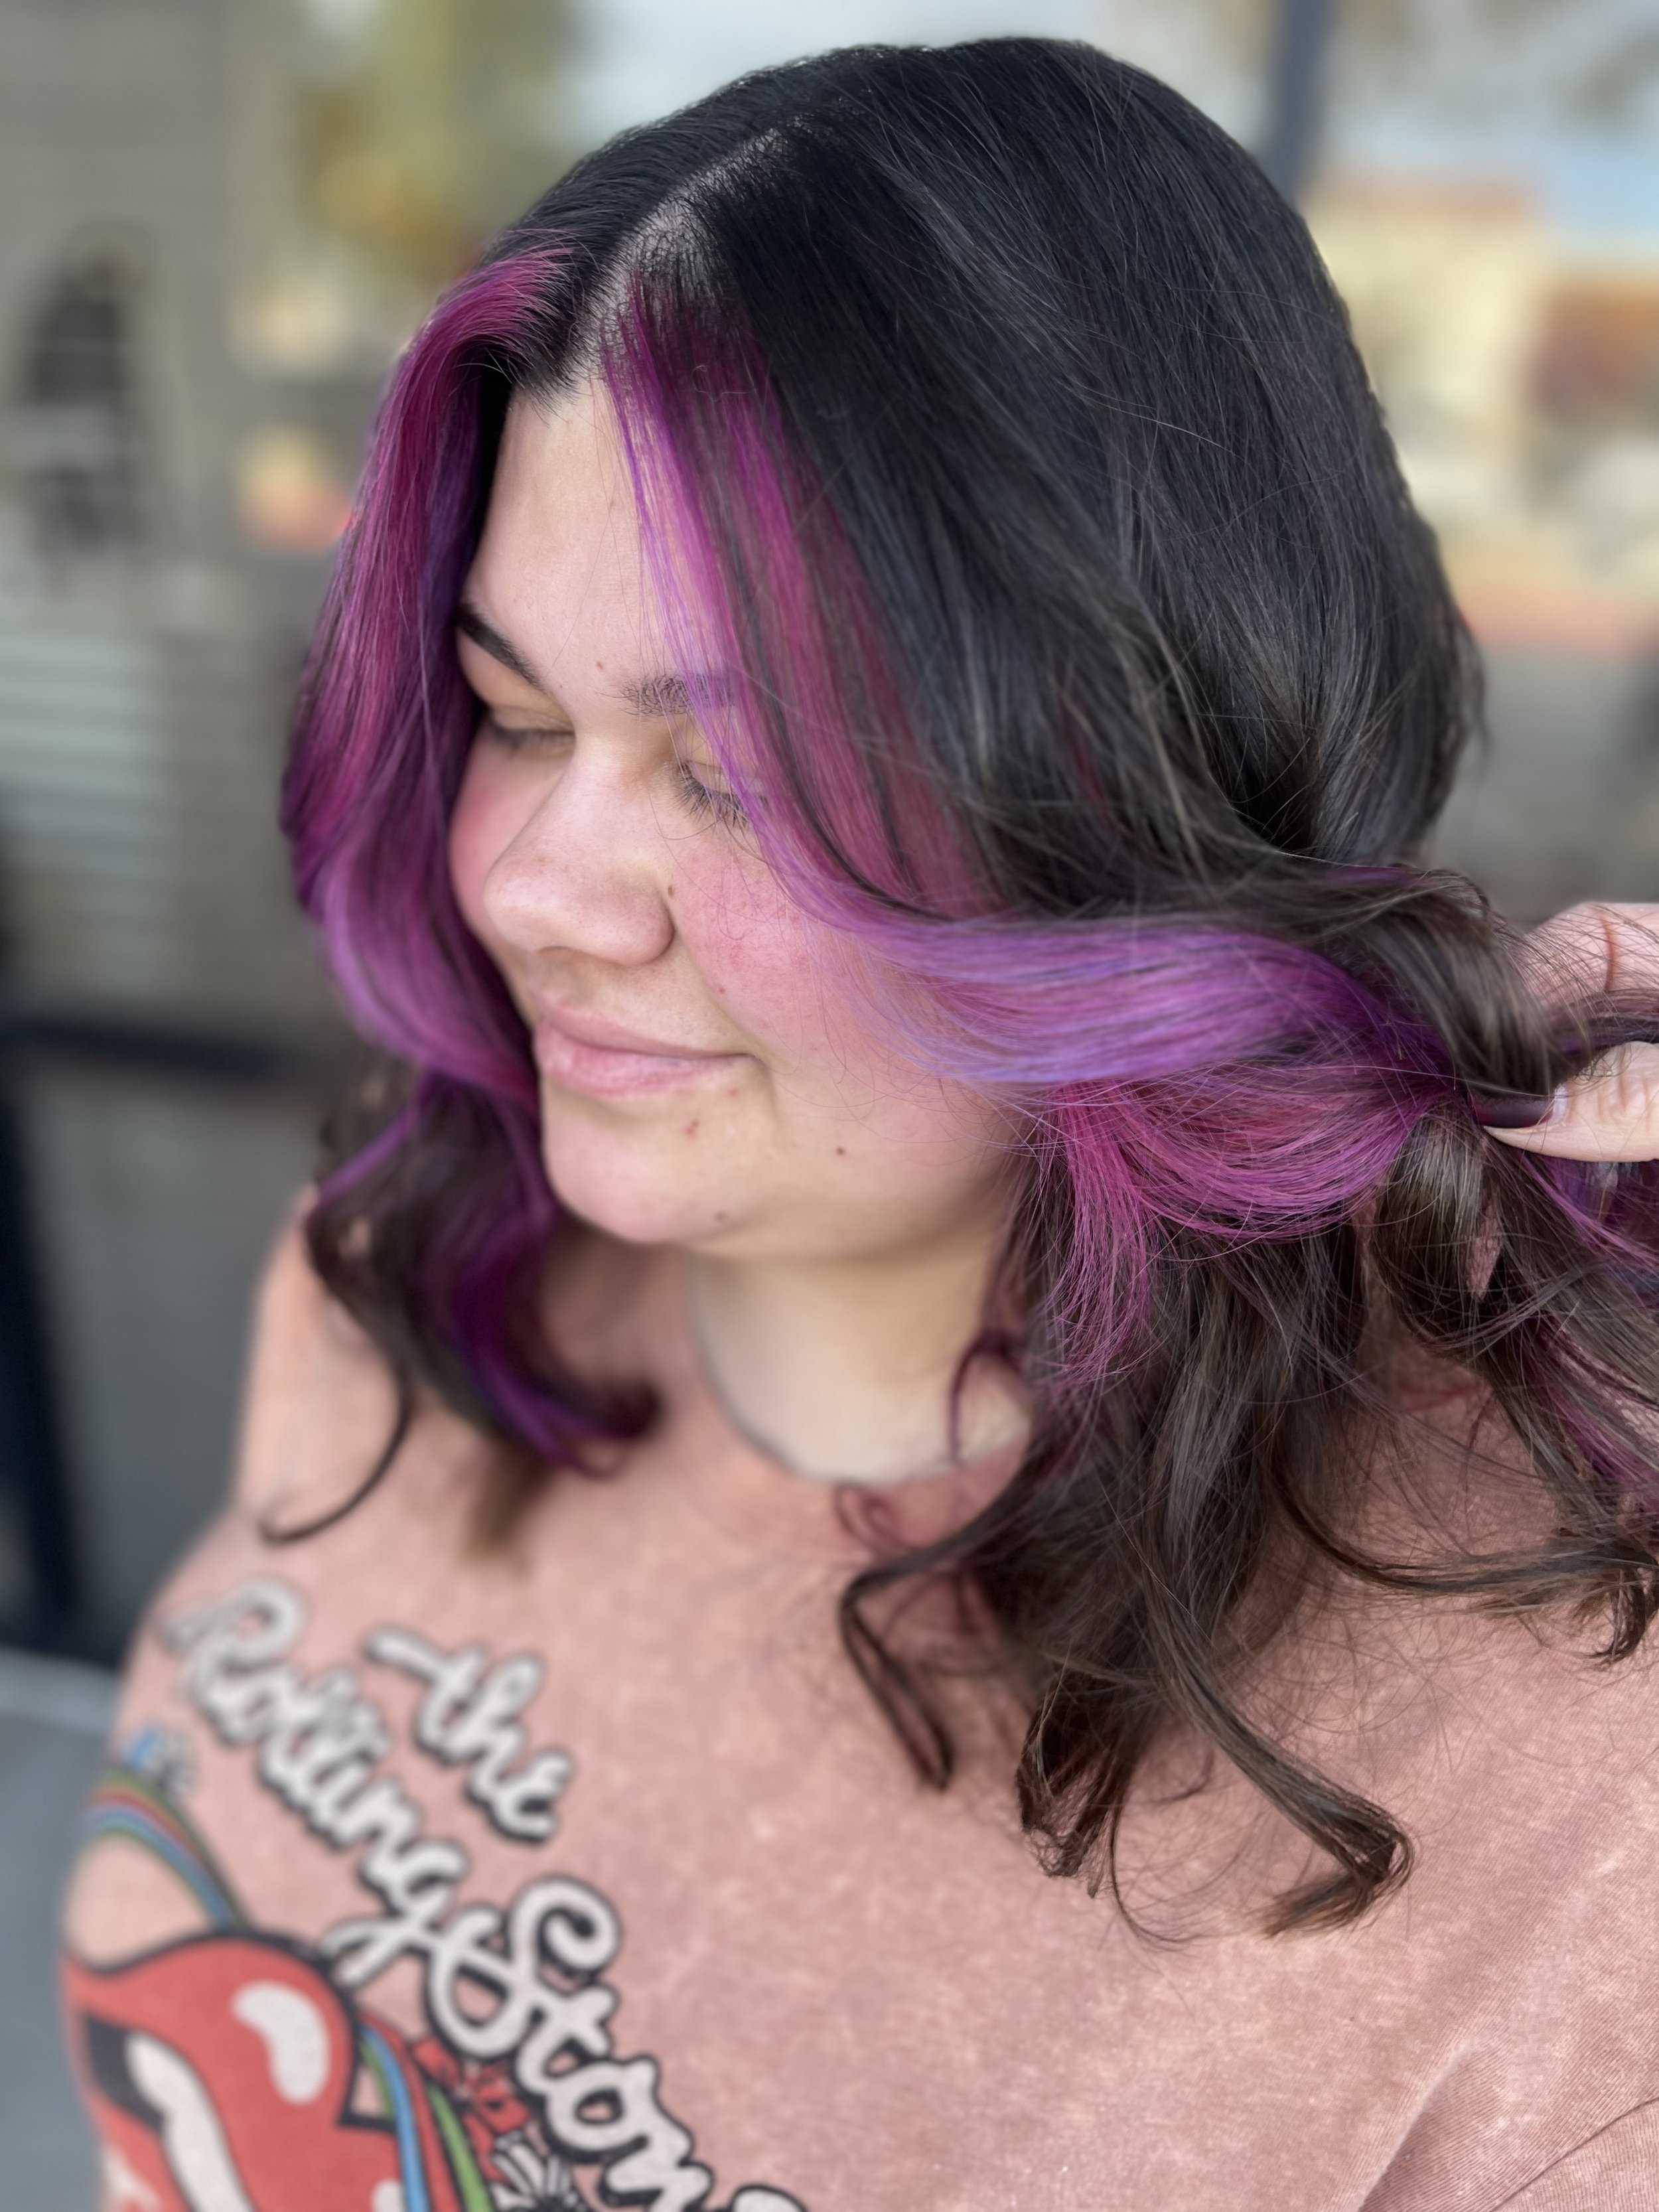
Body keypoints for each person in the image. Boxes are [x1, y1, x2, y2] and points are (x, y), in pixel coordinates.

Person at [58, 39, 1659, 2212]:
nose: (530, 883)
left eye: (736, 773)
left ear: (1132, 832)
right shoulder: (417, 1262)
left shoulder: (1552, 1789)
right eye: (510, 716)